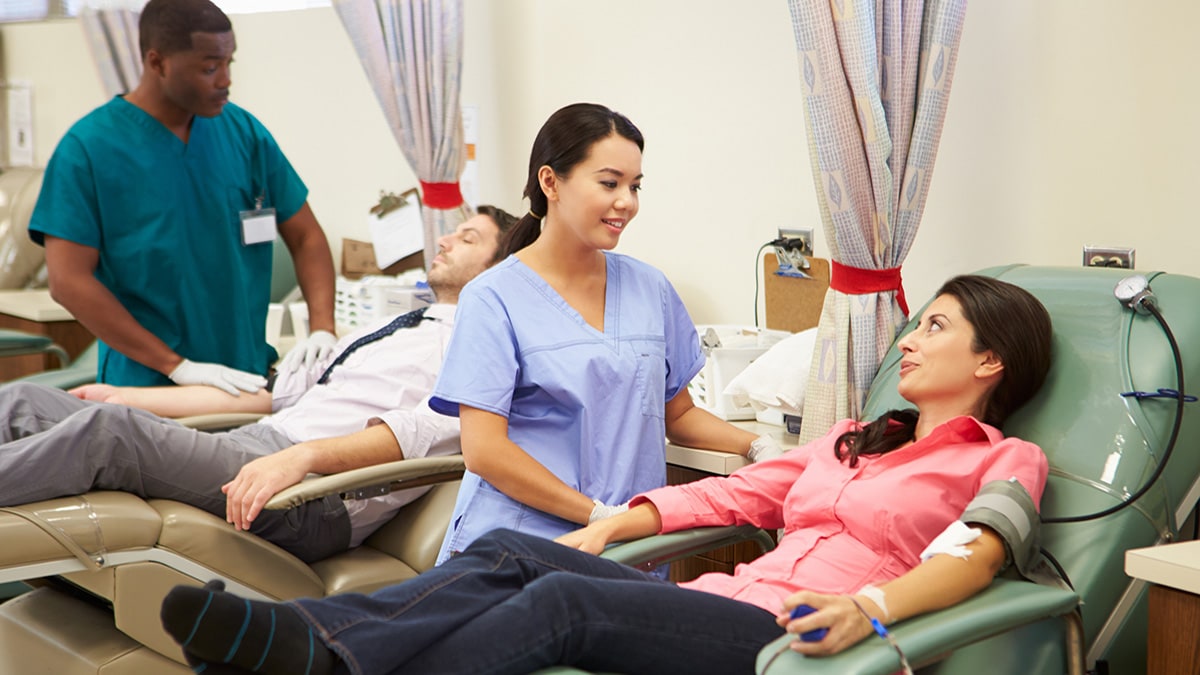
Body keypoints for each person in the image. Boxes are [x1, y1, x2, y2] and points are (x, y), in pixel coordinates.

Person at [159, 273, 1054, 675]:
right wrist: (616, 522)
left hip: (796, 639)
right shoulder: (855, 439)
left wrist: (873, 607)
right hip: (732, 601)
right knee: (518, 545)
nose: (910, 338)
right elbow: (736, 494)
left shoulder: (1004, 460)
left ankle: (317, 654)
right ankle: (306, 640)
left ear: (992, 362)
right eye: (917, 322)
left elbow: (975, 559)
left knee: (564, 606)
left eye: (936, 327)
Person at [0, 207, 516, 564]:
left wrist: (306, 457)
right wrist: (128, 395)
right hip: (258, 445)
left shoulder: (479, 346)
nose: (445, 239)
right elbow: (270, 395)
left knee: (106, 435)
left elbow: (432, 430)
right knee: (30, 399)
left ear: (500, 271)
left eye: (468, 239)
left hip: (312, 495)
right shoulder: (394, 327)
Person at [427, 103, 782, 564]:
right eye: (609, 183)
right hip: (520, 544)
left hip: (625, 546)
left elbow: (676, 414)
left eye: (635, 186)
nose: (627, 202)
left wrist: (756, 445)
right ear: (550, 182)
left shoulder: (649, 287)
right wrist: (597, 515)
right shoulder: (493, 298)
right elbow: (484, 452)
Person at [29, 0, 337, 393]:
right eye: (209, 68)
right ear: (157, 63)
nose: (224, 80)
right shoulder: (88, 150)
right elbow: (68, 281)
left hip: (246, 378)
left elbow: (306, 236)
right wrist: (177, 366)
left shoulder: (243, 133)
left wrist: (323, 329)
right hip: (145, 386)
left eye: (229, 63)